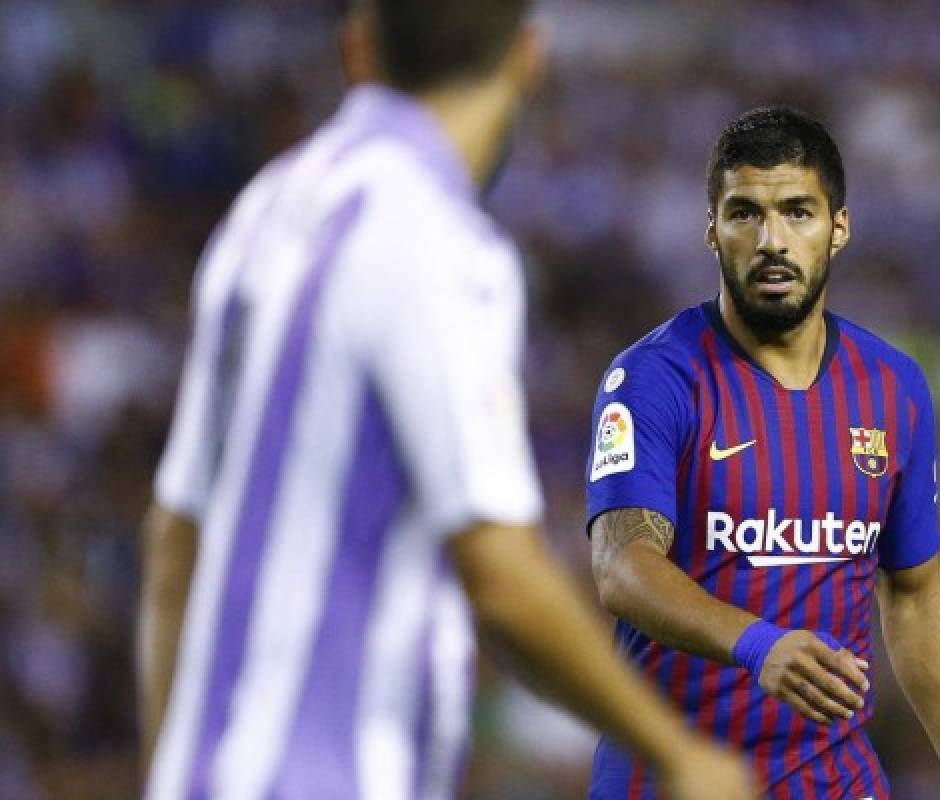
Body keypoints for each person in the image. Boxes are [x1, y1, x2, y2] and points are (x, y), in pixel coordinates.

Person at [137, 2, 758, 798]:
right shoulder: (439, 242)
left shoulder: (263, 212)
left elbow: (174, 543)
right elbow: (498, 571)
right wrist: (675, 752)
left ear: (359, 46)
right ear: (528, 56)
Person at [585, 106, 940, 799]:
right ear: (712, 229)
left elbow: (915, 592)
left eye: (798, 213)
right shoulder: (654, 379)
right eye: (745, 213)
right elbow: (623, 567)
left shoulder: (893, 386)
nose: (772, 240)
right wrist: (758, 644)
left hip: (831, 778)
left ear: (840, 226)